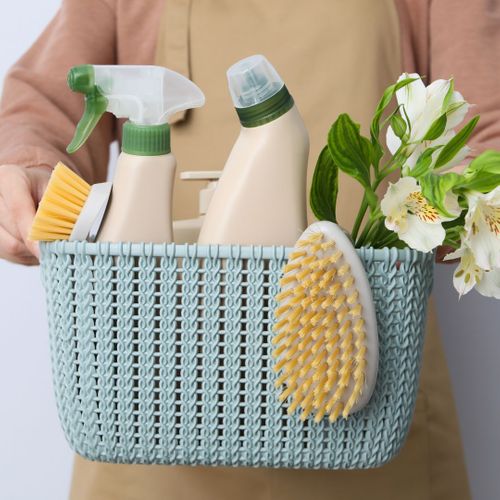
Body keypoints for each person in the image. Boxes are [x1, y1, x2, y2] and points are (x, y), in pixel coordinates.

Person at [1, 0, 499, 498]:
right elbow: (44, 104)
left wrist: (458, 205)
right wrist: (26, 169)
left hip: (366, 404)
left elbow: (485, 135)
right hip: (152, 420)